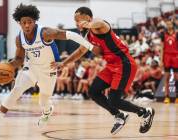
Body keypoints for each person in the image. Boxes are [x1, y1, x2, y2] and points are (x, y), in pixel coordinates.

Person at [0, 4, 94, 134]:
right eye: (23, 22)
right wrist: (9, 66)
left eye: (29, 22)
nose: (26, 25)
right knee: (15, 91)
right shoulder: (19, 38)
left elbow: (70, 34)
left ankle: (47, 110)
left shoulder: (45, 33)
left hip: (48, 70)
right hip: (31, 68)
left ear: (35, 21)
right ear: (19, 23)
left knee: (43, 101)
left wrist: (89, 46)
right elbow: (19, 59)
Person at [51, 7, 155, 135]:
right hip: (111, 66)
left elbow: (100, 23)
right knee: (93, 91)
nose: (76, 23)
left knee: (114, 99)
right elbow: (80, 52)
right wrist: (63, 63)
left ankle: (145, 112)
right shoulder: (88, 36)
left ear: (88, 18)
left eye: (78, 20)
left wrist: (89, 23)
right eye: (75, 20)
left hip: (124, 64)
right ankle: (119, 115)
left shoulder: (99, 26)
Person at [160, 19, 178, 104]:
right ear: (166, 25)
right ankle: (166, 97)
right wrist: (160, 60)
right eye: (167, 24)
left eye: (170, 24)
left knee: (176, 77)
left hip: (175, 57)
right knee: (166, 77)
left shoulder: (177, 34)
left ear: (172, 24)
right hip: (167, 57)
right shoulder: (163, 34)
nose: (169, 25)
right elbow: (161, 48)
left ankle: (177, 97)